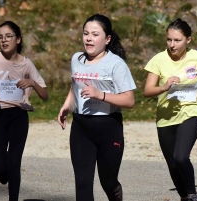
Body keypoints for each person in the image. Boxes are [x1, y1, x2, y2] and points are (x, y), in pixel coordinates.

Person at [58, 14, 136, 201]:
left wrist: (99, 94)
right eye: (86, 34)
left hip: (109, 128)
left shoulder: (116, 64)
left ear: (107, 39)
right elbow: (75, 85)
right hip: (81, 128)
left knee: (108, 181)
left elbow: (129, 100)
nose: (89, 38)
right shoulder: (77, 59)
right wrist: (67, 105)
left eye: (95, 34)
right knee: (83, 183)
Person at [0, 20, 48, 201]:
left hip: (18, 116)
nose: (4, 40)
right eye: (0, 37)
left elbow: (45, 95)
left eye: (9, 36)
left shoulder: (26, 64)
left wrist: (32, 83)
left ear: (18, 39)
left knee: (14, 163)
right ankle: (3, 174)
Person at [144, 18, 197, 201]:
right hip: (166, 116)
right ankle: (185, 197)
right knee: (173, 163)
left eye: (177, 40)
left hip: (192, 110)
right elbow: (148, 90)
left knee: (181, 156)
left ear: (188, 40)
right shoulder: (158, 59)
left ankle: (192, 194)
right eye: (169, 40)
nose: (172, 44)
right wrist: (164, 87)